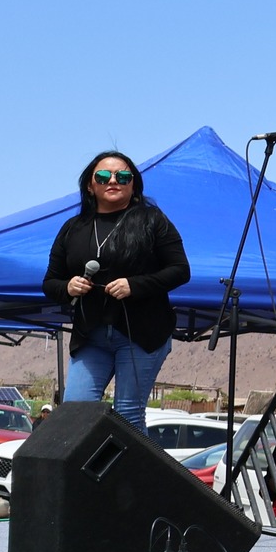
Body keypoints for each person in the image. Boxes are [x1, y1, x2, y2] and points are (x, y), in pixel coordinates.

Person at [42, 152, 191, 431]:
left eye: (122, 176)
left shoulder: (152, 220)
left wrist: (134, 285)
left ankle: (134, 463)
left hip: (142, 333)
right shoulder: (73, 228)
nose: (113, 181)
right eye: (103, 176)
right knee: (75, 412)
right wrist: (68, 287)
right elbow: (50, 282)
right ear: (90, 185)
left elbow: (180, 270)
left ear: (133, 185)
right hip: (90, 335)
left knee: (128, 414)